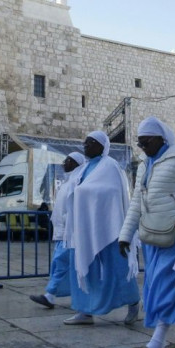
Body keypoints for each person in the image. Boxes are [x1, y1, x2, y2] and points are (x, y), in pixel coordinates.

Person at [118, 117, 175, 348]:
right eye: (139, 142)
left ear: (162, 139)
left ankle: (156, 344)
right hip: (152, 237)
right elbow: (137, 204)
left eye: (146, 141)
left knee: (167, 287)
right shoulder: (143, 165)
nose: (142, 146)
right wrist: (125, 235)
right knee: (159, 286)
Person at [63, 131, 140, 326]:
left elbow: (112, 192)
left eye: (90, 142)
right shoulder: (83, 169)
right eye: (85, 142)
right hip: (83, 228)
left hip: (108, 226)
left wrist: (87, 192)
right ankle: (84, 311)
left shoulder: (110, 166)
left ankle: (132, 302)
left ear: (101, 146)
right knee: (83, 267)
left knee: (117, 267)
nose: (85, 145)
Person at [29, 151, 85, 309]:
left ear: (75, 163)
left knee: (60, 263)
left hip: (71, 233)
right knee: (62, 265)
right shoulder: (69, 182)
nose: (64, 163)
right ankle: (72, 295)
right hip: (61, 233)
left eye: (68, 160)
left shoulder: (78, 183)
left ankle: (50, 295)